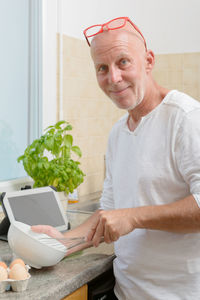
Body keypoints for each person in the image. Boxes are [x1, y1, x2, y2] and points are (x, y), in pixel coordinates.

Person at [32, 17, 200, 299]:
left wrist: (134, 217)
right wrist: (62, 244)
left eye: (123, 62)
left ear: (148, 61)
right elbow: (109, 210)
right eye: (102, 68)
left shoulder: (186, 119)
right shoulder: (118, 134)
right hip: (126, 292)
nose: (113, 78)